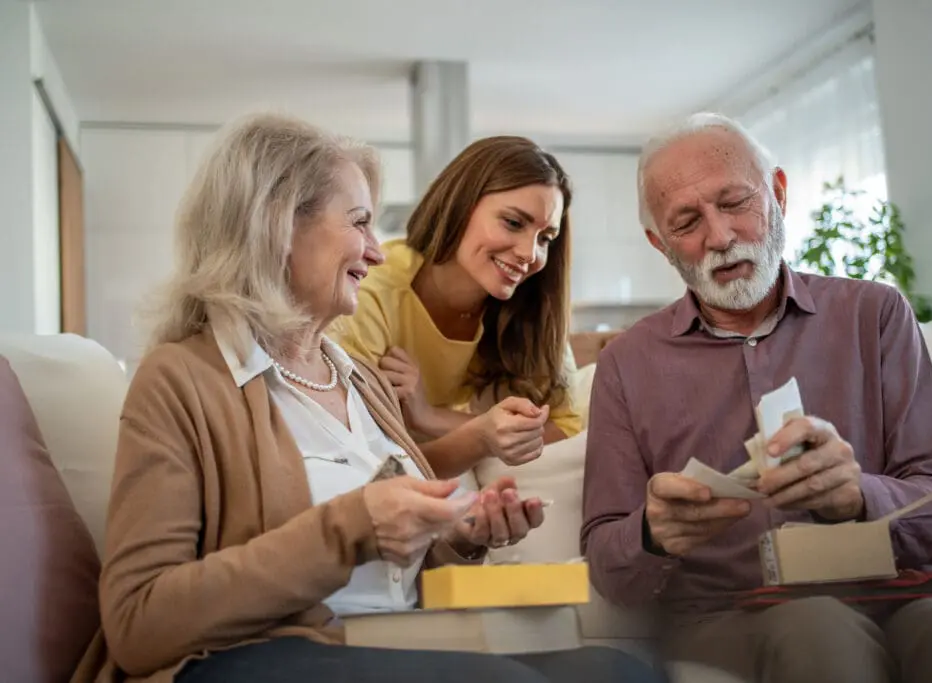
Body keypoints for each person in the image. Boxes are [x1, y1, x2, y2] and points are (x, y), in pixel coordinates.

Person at [71, 114, 664, 683]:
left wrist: (462, 535)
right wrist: (349, 527)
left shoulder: (358, 379)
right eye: (359, 223)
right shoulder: (181, 379)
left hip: (391, 642)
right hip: (256, 655)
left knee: (624, 672)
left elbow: (399, 569)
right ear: (277, 225)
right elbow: (136, 622)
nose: (379, 253)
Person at [580, 112, 932, 683]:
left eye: (735, 202)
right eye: (687, 221)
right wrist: (651, 534)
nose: (719, 236)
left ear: (779, 193)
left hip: (901, 597)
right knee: (816, 625)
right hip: (732, 615)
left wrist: (860, 496)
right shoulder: (627, 363)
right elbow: (607, 559)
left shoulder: (876, 315)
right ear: (659, 243)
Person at [327, 136, 582, 479]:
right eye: (513, 223)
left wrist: (432, 417)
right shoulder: (370, 294)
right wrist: (480, 434)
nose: (530, 253)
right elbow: (365, 465)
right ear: (461, 206)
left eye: (545, 238)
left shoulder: (530, 310)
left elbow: (567, 426)